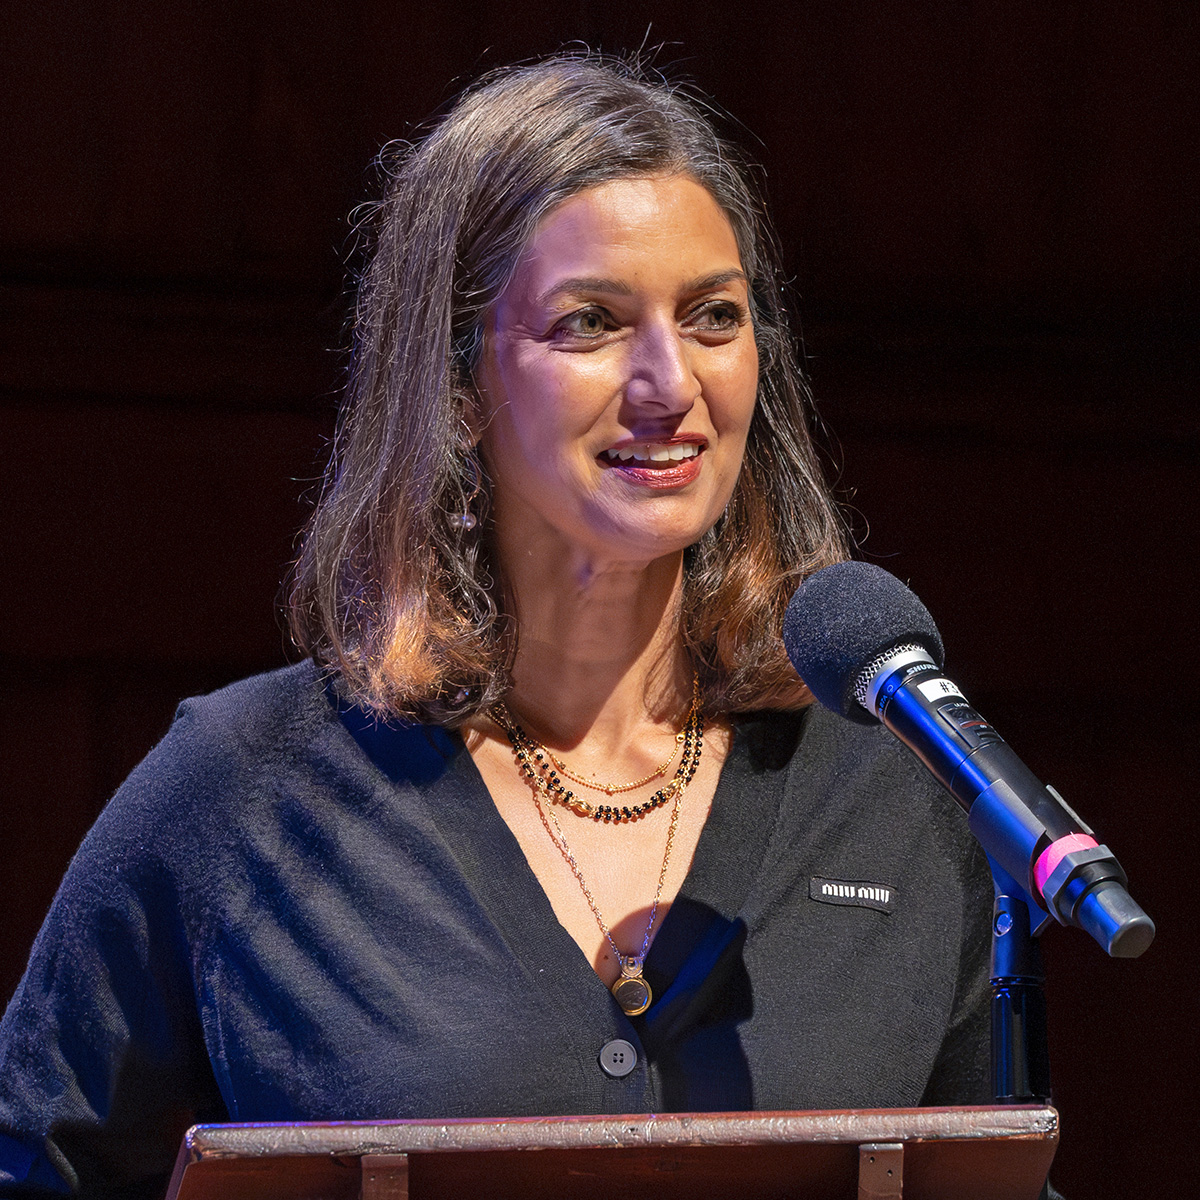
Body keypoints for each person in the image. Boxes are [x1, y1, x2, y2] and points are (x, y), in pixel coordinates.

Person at [0, 55, 992, 1198]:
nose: (671, 382)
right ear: (461, 387)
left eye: (712, 316)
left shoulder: (895, 799)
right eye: (592, 323)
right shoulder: (243, 792)